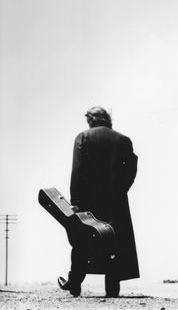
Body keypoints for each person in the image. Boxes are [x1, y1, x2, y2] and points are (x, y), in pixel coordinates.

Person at [58, 106, 139, 297]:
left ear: (90, 119)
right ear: (107, 119)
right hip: (115, 201)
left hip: (88, 201)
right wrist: (121, 189)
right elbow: (132, 168)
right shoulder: (123, 140)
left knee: (82, 239)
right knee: (114, 241)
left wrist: (75, 200)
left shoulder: (83, 138)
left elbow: (77, 172)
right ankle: (112, 289)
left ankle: (75, 283)